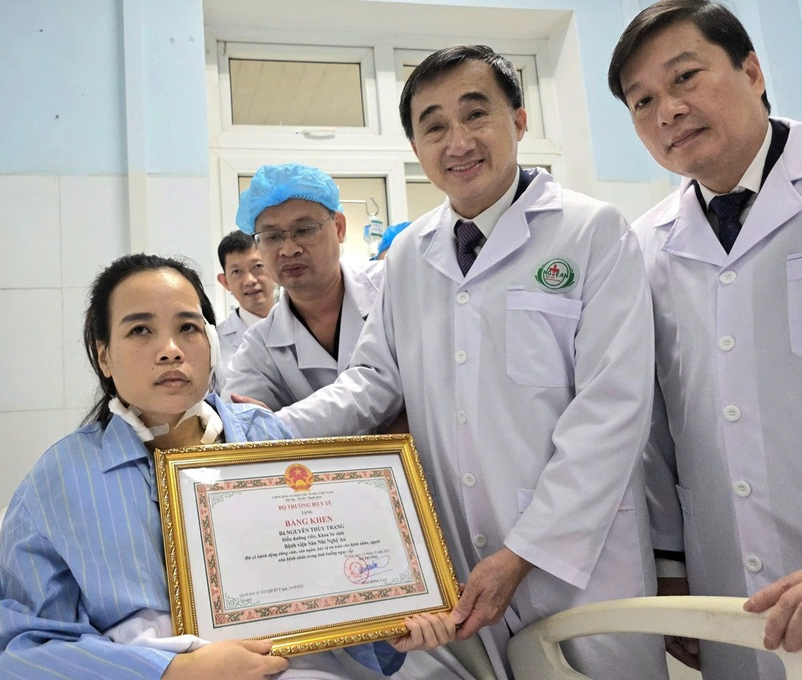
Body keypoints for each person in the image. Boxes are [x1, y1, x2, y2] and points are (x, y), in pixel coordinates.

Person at [272, 45, 667, 679]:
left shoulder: (591, 231)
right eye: (433, 127)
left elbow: (612, 410)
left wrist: (524, 551)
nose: (457, 142)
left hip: (580, 558)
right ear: (416, 147)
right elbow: (372, 381)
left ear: (519, 120)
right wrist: (261, 432)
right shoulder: (409, 255)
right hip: (459, 556)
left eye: (475, 114)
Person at [0, 253, 453, 679]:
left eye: (188, 327)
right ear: (104, 356)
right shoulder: (60, 480)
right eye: (140, 330)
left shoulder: (267, 440)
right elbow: (13, 653)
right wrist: (172, 671)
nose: (170, 349)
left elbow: (328, 585)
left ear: (212, 343)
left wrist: (393, 620)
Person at [608, 1, 802, 676]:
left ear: (752, 71)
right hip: (729, 589)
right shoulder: (643, 247)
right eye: (642, 101)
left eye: (685, 77)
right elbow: (652, 425)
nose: (668, 110)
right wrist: (669, 566)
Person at [222, 163, 387, 414]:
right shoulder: (260, 346)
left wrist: (279, 422)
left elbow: (386, 388)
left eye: (304, 230)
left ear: (339, 228)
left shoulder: (389, 286)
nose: (289, 249)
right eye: (272, 236)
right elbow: (240, 421)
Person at [214, 230, 277, 388]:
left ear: (274, 268)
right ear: (225, 282)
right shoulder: (215, 345)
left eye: (258, 266)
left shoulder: (303, 324)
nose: (249, 280)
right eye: (236, 272)